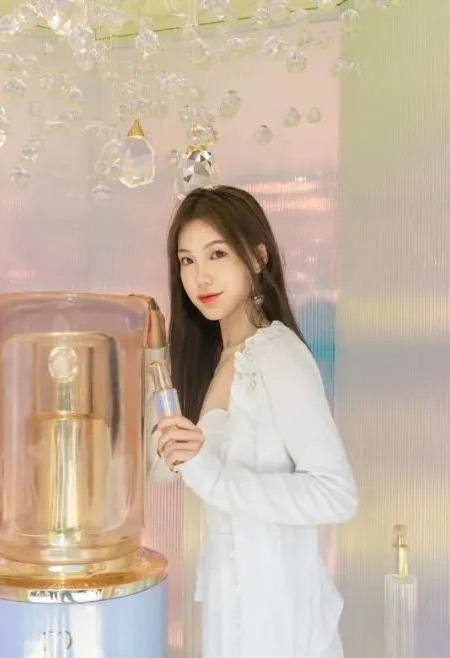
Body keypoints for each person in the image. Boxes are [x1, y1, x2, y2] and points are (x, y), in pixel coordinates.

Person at [149, 185, 358, 658]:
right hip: (231, 610)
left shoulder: (277, 355)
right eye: (186, 261)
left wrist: (212, 474)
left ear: (258, 257)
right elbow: (164, 468)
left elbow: (336, 494)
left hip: (280, 617)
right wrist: (151, 356)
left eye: (217, 254)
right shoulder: (214, 360)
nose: (201, 276)